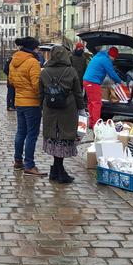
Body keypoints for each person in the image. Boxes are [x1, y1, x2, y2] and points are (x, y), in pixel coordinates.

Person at [40, 46, 85, 184]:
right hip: (67, 109)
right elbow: (78, 92)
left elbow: (40, 92)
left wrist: (41, 106)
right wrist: (81, 108)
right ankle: (60, 171)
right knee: (63, 138)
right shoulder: (70, 71)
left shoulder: (44, 71)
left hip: (50, 109)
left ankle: (55, 169)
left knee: (54, 138)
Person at [9, 37, 46, 176]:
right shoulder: (32, 62)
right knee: (32, 134)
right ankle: (29, 165)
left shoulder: (14, 60)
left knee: (21, 132)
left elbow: (11, 81)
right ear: (33, 48)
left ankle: (18, 161)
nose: (38, 51)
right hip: (32, 103)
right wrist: (41, 98)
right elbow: (36, 85)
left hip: (19, 101)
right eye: (37, 48)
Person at [83, 46, 124, 129]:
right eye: (114, 58)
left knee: (91, 103)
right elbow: (112, 74)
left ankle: (92, 123)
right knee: (97, 103)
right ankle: (96, 125)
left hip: (87, 81)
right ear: (112, 55)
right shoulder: (105, 60)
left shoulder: (99, 56)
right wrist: (121, 82)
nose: (114, 60)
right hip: (93, 82)